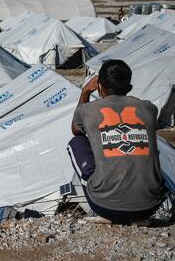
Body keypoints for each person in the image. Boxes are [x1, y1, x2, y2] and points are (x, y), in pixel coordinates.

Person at [67, 60, 165, 224]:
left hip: (105, 206)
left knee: (76, 142)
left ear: (99, 86)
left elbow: (76, 130)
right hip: (150, 205)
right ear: (129, 88)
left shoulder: (87, 110)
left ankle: (101, 194)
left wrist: (85, 92)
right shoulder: (149, 109)